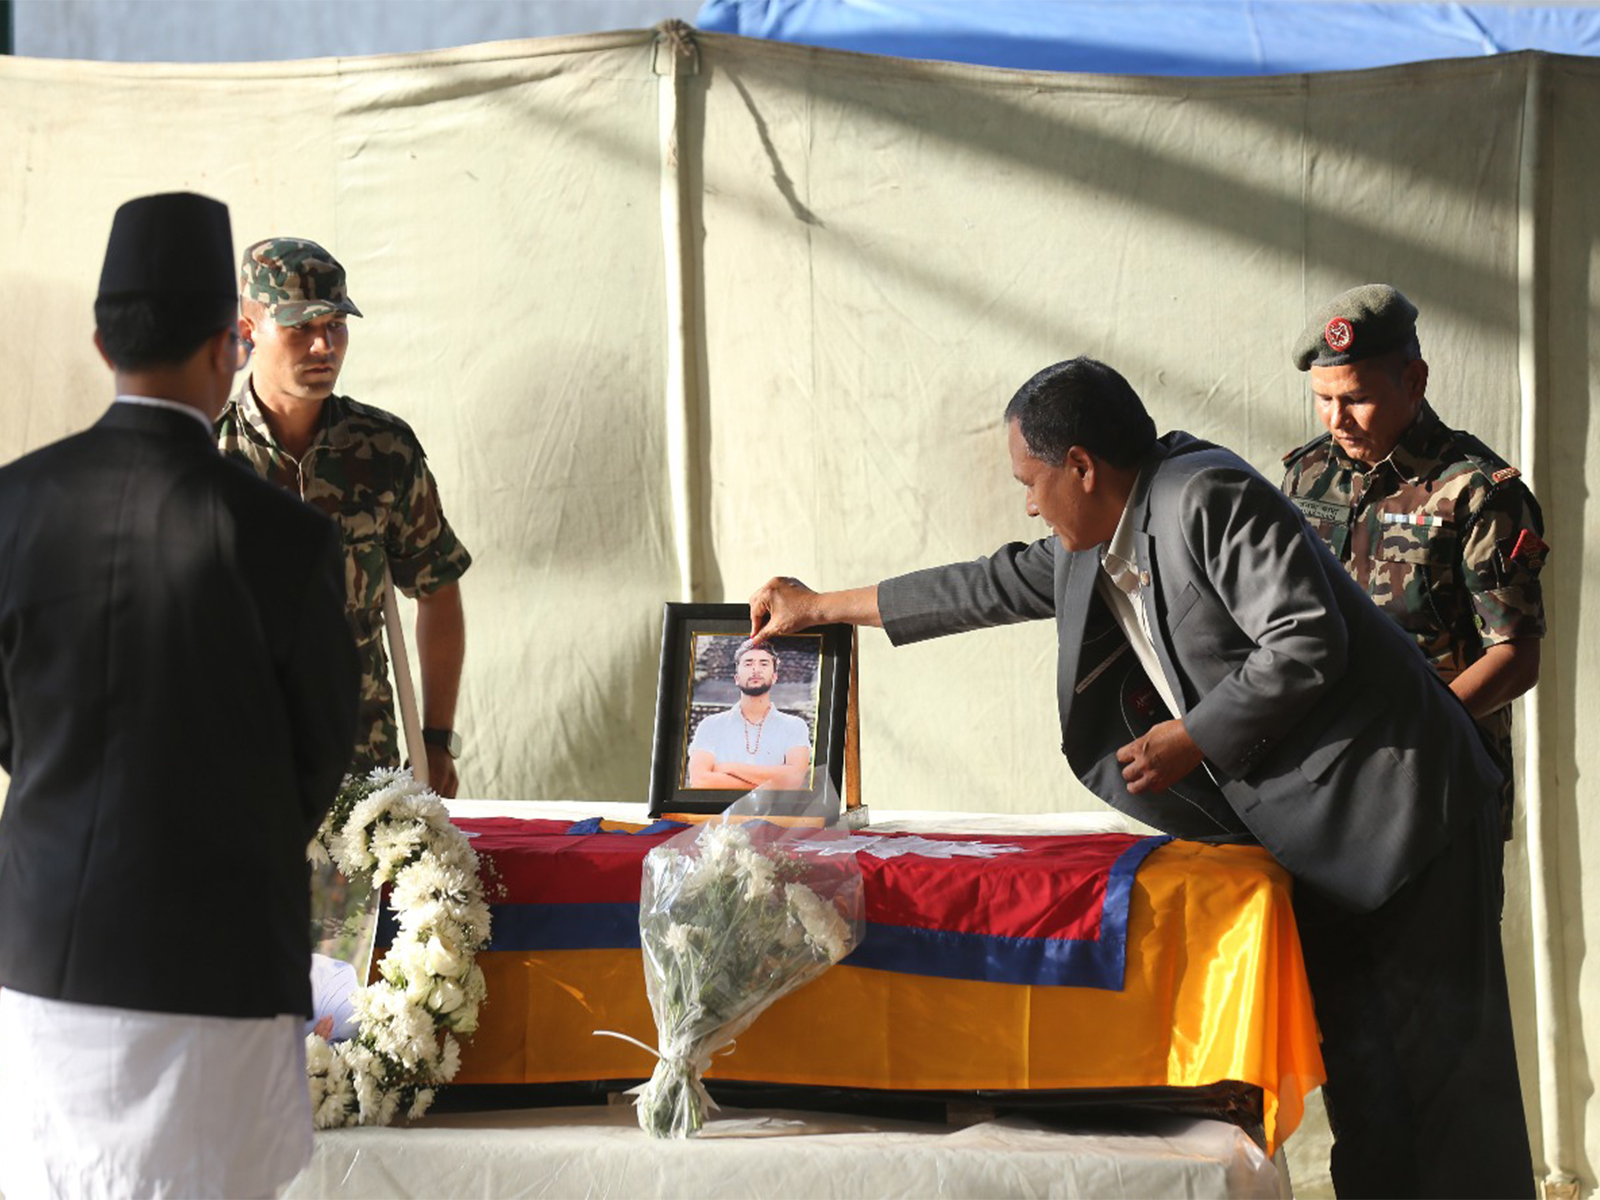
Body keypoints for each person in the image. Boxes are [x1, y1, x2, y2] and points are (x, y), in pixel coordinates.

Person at [749, 356, 1532, 1197]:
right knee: (1370, 1088)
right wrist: (820, 607)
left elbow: (1306, 639)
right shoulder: (1095, 540)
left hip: (1411, 816)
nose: (1028, 503)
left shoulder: (1206, 497)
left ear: (1082, 466)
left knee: (1451, 1097)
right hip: (1322, 843)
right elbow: (984, 584)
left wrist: (1191, 737)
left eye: (1031, 480)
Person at [0, 192, 361, 1197]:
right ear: (225, 346)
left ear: (100, 340)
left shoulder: (13, 507)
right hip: (223, 961)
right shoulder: (289, 540)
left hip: (47, 955)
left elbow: (9, 728)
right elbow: (321, 748)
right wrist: (227, 828)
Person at [1281, 284, 1546, 839]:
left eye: (1354, 398)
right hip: (1327, 786)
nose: (1336, 419)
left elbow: (1516, 657)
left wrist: (1404, 734)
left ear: (1415, 380)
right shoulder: (1308, 477)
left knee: (1444, 930)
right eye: (1323, 398)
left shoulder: (1477, 492)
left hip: (1439, 787)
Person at [217, 238, 472, 796]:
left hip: (360, 777)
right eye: (300, 327)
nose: (322, 345)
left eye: (335, 325)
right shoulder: (205, 457)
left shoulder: (383, 451)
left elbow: (437, 589)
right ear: (247, 330)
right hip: (231, 772)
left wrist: (436, 737)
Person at [686, 639, 812, 789]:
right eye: (748, 663)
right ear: (737, 678)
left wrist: (730, 768)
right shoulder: (711, 725)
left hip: (775, 812)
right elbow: (700, 781)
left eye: (764, 664)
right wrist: (770, 785)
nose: (756, 670)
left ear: (774, 677)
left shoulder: (794, 726)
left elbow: (794, 780)